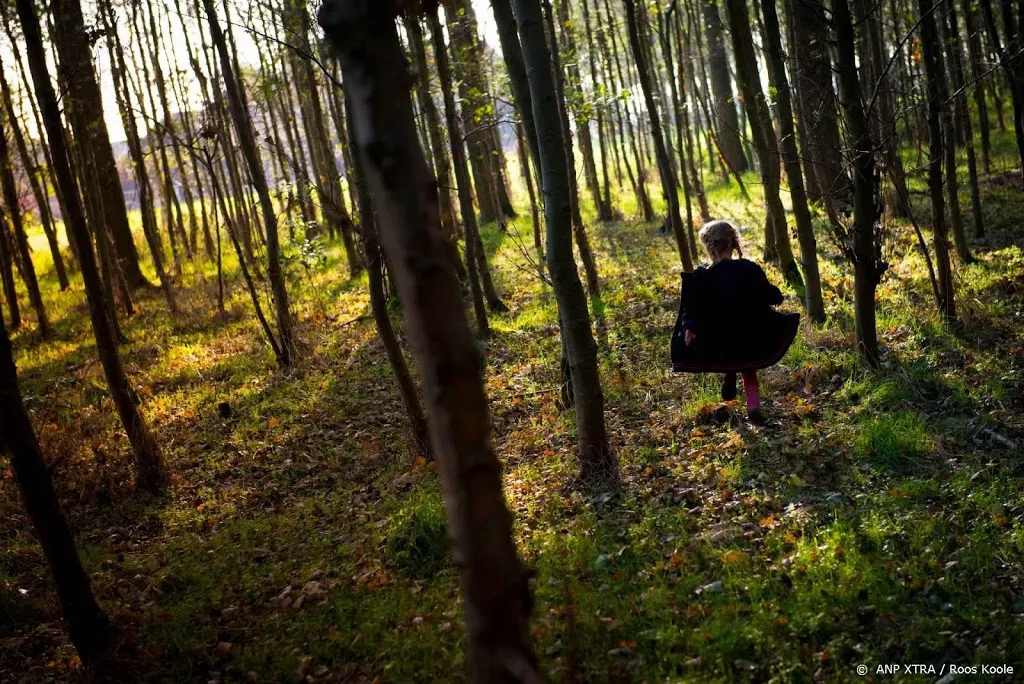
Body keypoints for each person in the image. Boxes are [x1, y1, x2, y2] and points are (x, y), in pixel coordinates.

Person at [670, 220, 800, 422]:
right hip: (747, 337)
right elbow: (770, 296)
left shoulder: (702, 276)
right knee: (747, 366)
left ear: (709, 247)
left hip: (716, 340)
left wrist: (689, 329)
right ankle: (753, 408)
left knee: (727, 350)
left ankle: (729, 373)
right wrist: (777, 296)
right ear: (733, 244)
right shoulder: (749, 269)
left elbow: (692, 307)